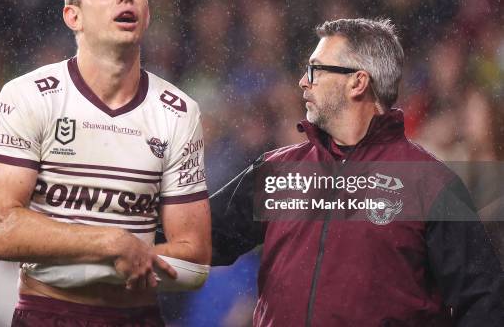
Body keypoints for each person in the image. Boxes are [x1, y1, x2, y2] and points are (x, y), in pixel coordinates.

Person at [210, 18, 504, 326]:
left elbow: (485, 301)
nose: (303, 81)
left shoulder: (429, 185)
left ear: (357, 82)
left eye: (316, 69)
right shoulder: (278, 173)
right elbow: (193, 234)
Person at [0, 0, 211, 327]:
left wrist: (101, 261)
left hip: (139, 318)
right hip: (49, 315)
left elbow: (195, 256)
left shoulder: (179, 112)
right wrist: (111, 244)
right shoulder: (29, 96)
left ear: (147, 13)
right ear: (73, 16)